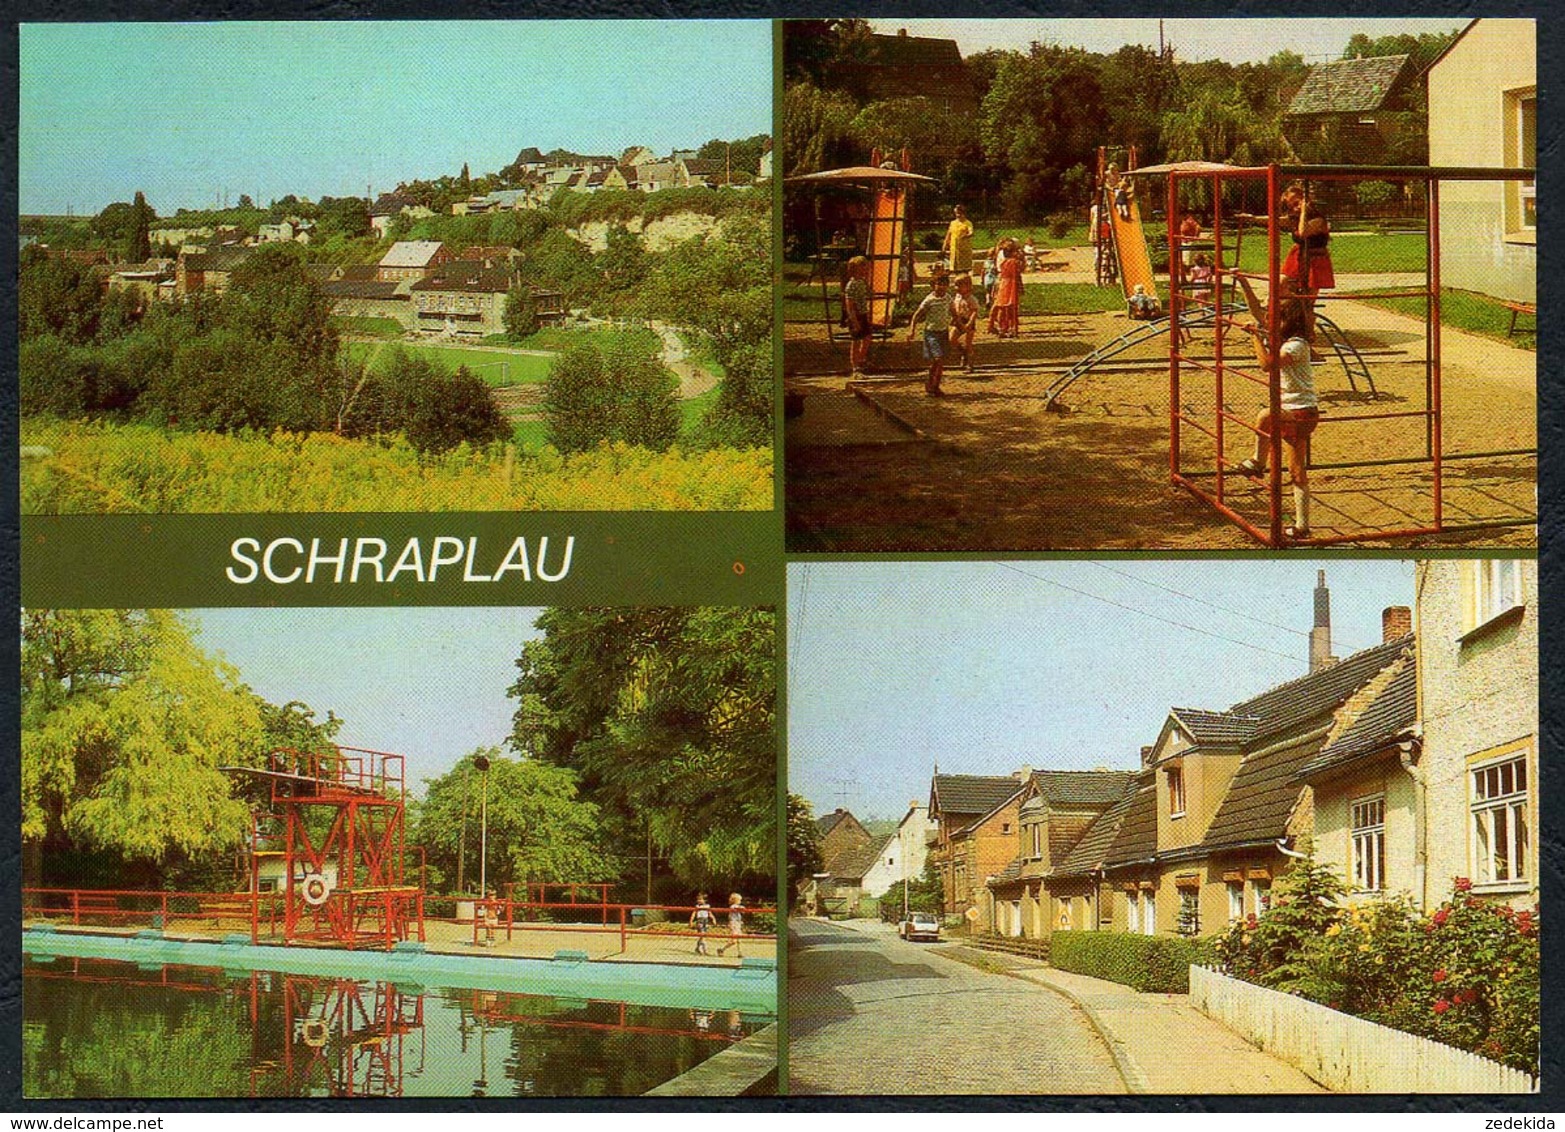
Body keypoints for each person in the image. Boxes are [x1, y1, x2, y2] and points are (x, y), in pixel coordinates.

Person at [1233, 297, 1318, 540]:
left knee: (1265, 415)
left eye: (1276, 319)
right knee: (1296, 470)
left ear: (1288, 321)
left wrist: (1255, 338)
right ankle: (1302, 527)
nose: (1271, 322)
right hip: (1298, 410)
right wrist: (1259, 330)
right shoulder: (1290, 342)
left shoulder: (1296, 346)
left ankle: (1258, 462)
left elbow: (1267, 364)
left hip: (1300, 412)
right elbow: (1260, 318)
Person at [908, 265, 955, 396]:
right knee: (938, 359)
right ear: (933, 285)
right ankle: (932, 383)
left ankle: (934, 385)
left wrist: (962, 326)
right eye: (939, 284)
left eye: (944, 284)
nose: (942, 287)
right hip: (932, 334)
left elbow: (954, 312)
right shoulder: (929, 300)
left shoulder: (948, 298)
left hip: (943, 332)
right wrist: (912, 330)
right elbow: (917, 315)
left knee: (939, 362)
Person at [841, 255, 872, 377]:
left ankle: (861, 360)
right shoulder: (851, 285)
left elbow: (867, 293)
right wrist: (854, 321)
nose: (866, 270)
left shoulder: (862, 282)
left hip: (863, 313)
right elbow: (849, 305)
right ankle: (855, 367)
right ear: (854, 269)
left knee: (868, 337)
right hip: (855, 315)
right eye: (863, 268)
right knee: (856, 341)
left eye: (866, 268)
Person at [993, 239, 1023, 338]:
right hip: (1012, 286)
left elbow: (1000, 276)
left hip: (1003, 285)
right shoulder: (1014, 263)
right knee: (1012, 309)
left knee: (1002, 308)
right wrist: (1020, 286)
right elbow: (1017, 275)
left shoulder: (1003, 263)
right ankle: (1013, 329)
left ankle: (1002, 328)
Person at [949, 273, 980, 372]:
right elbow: (954, 308)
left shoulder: (971, 299)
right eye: (955, 285)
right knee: (951, 339)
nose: (956, 288)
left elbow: (975, 311)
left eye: (959, 285)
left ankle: (970, 364)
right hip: (958, 320)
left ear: (967, 286)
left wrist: (970, 323)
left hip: (968, 321)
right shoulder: (957, 296)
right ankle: (962, 352)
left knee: (968, 343)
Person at [942, 204, 974, 276]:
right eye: (956, 213)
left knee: (964, 268)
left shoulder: (968, 223)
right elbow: (949, 234)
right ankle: (958, 281)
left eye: (959, 213)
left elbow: (971, 232)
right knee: (955, 268)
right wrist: (945, 245)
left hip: (964, 248)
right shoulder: (953, 223)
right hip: (954, 248)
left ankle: (965, 281)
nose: (957, 215)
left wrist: (966, 236)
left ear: (963, 213)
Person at [716, 892, 746, 958]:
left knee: (739, 939)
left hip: (738, 923)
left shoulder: (736, 906)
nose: (740, 902)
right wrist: (742, 908)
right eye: (739, 900)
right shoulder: (733, 906)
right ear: (735, 900)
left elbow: (742, 911)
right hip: (734, 924)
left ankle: (740, 953)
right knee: (733, 941)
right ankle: (722, 949)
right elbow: (740, 908)